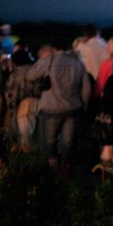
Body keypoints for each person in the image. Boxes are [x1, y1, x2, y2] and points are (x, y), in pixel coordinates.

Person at [26, 38, 91, 172]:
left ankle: (54, 171)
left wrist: (42, 59)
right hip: (73, 108)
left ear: (53, 49)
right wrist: (83, 106)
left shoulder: (49, 61)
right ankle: (66, 172)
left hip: (51, 108)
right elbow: (87, 89)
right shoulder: (77, 63)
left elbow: (30, 75)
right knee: (68, 143)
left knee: (50, 142)